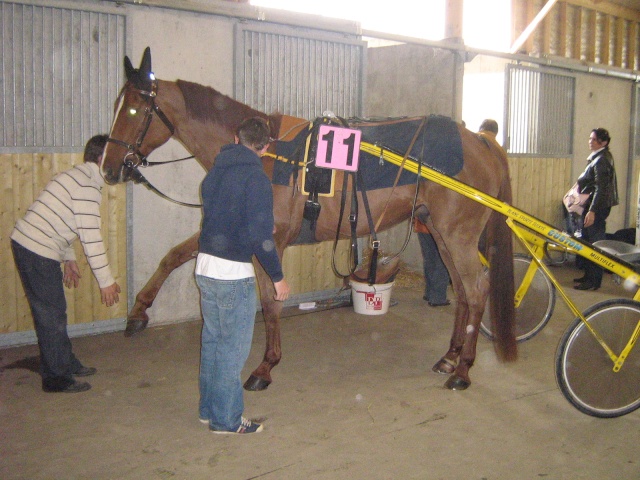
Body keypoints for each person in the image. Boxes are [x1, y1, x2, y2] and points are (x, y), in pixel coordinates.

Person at [196, 116, 290, 435]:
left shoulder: (215, 172)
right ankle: (227, 420)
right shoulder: (257, 178)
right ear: (265, 147)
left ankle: (209, 410)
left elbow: (224, 215)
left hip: (205, 267)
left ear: (236, 138)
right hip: (232, 274)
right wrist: (277, 277)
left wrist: (260, 223)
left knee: (213, 342)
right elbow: (261, 240)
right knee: (232, 351)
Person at [11, 134, 121, 393]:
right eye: (113, 157)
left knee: (54, 312)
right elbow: (90, 236)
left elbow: (62, 220)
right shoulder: (85, 186)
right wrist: (106, 282)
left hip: (35, 246)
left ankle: (65, 363)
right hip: (35, 249)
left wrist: (68, 257)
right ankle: (56, 378)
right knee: (51, 315)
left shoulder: (79, 178)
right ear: (101, 158)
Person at [573, 128, 618, 290]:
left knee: (595, 244)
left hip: (596, 207)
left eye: (594, 139)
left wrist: (592, 211)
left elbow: (601, 188)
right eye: (590, 138)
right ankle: (588, 276)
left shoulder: (602, 160)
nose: (590, 142)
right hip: (593, 205)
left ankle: (594, 281)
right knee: (587, 241)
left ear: (603, 142)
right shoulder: (598, 157)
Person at [414, 218, 450, 307]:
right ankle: (438, 298)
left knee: (429, 259)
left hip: (422, 225)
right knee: (442, 261)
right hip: (439, 228)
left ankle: (429, 293)